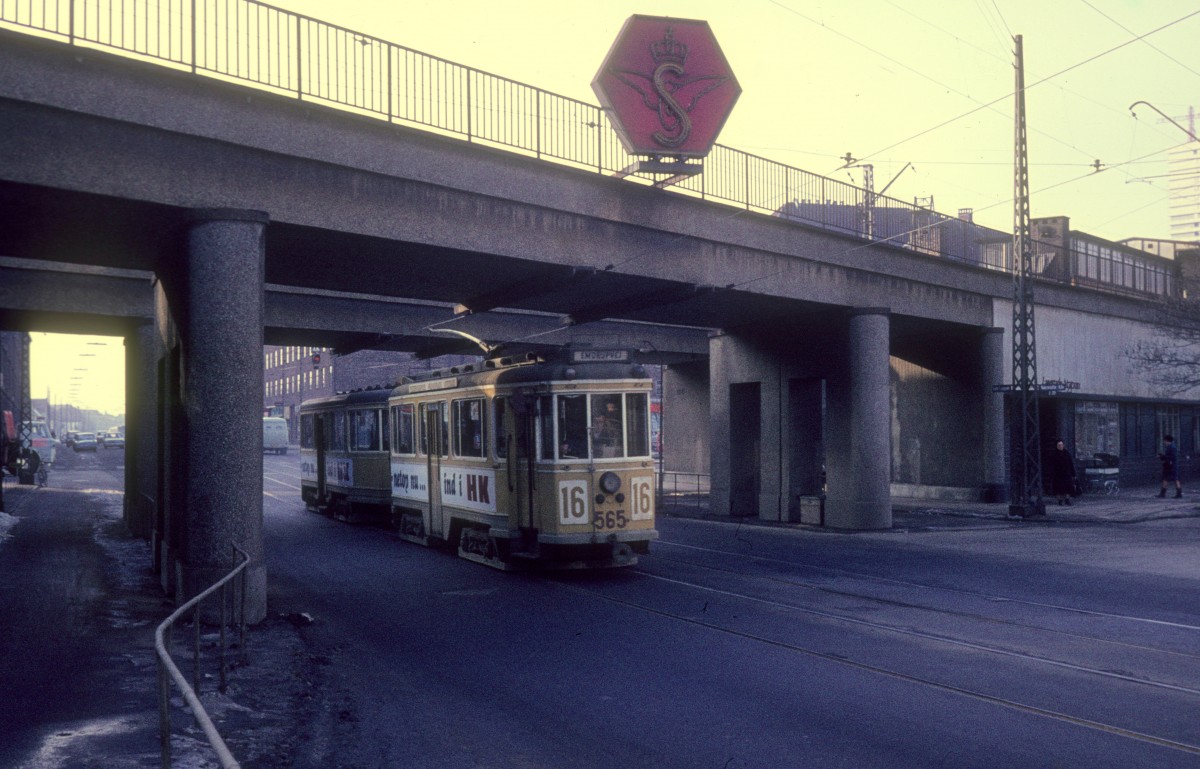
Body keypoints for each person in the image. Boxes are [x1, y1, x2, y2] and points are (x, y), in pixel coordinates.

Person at [1046, 439, 1076, 506]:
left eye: (1061, 445)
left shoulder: (1067, 454)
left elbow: (1070, 463)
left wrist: (1073, 473)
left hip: (1066, 473)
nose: (1060, 446)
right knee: (1058, 488)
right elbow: (1051, 465)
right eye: (1059, 445)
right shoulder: (1054, 455)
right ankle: (1060, 500)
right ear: (1057, 446)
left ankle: (1067, 499)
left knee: (1068, 487)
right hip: (1058, 474)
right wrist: (1051, 473)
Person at [1159, 434, 1182, 498]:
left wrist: (1163, 456)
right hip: (1171, 465)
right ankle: (1178, 493)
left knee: (1171, 478)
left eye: (1165, 441)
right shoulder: (1172, 447)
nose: (1164, 442)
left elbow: (1171, 457)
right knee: (1171, 478)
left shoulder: (1171, 447)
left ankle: (1163, 493)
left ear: (1167, 440)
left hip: (1170, 465)